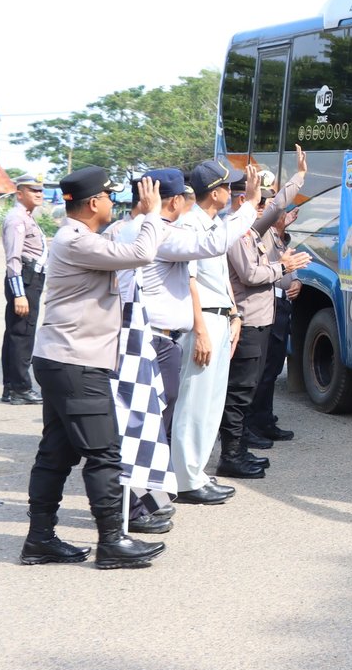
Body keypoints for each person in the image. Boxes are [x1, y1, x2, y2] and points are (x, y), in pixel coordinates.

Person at [21, 167, 165, 569]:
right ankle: (111, 542)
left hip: (66, 360)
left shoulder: (83, 238)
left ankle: (40, 540)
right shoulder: (75, 240)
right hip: (76, 363)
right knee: (103, 453)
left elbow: (122, 243)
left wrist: (140, 216)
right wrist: (152, 214)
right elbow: (141, 253)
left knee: (56, 452)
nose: (111, 202)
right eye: (108, 196)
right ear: (94, 202)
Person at [109, 165, 261, 531]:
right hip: (151, 336)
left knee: (156, 422)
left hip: (158, 336)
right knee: (148, 423)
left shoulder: (141, 228)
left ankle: (153, 495)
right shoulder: (160, 232)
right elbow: (211, 246)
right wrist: (251, 206)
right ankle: (139, 504)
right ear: (175, 200)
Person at [168, 159, 253, 504]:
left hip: (219, 317)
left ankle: (197, 472)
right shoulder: (189, 225)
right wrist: (201, 330)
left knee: (212, 402)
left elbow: (219, 280)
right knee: (194, 402)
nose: (231, 192)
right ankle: (186, 479)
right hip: (201, 320)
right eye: (228, 187)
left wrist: (234, 315)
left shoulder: (213, 222)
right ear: (215, 192)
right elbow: (189, 283)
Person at [223, 150, 311, 473]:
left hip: (262, 319)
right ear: (240, 202)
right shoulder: (233, 232)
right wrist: (283, 266)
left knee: (253, 384)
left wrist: (300, 177)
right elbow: (249, 274)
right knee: (240, 391)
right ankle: (231, 454)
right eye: (254, 201)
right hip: (245, 322)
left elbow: (276, 207)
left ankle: (239, 450)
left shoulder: (250, 229)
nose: (262, 207)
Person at [248, 206, 301, 443]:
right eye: (280, 212)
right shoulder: (263, 232)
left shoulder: (279, 237)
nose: (285, 216)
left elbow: (289, 266)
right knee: (263, 369)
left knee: (274, 366)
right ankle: (251, 424)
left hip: (283, 306)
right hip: (270, 305)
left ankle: (264, 419)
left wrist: (297, 282)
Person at [0, 174, 46, 404]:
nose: (39, 194)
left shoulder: (26, 217)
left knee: (15, 334)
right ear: (19, 193)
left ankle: (11, 387)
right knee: (22, 336)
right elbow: (13, 259)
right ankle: (21, 388)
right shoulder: (17, 219)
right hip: (25, 280)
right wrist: (19, 293)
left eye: (41, 190)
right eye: (33, 190)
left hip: (29, 279)